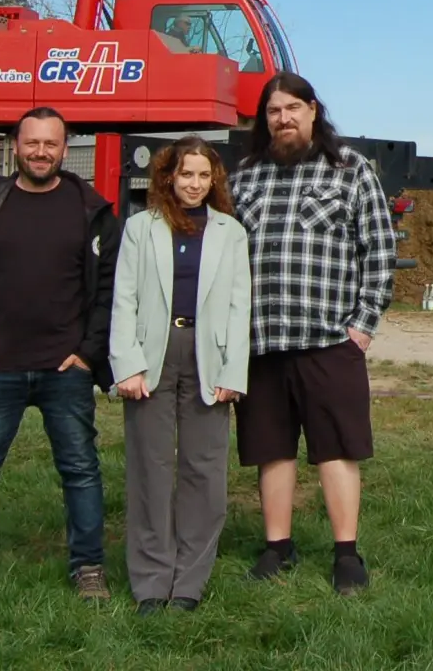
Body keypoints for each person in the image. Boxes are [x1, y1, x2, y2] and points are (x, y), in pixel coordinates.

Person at [0, 106, 121, 605]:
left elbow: (110, 292)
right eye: (32, 143)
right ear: (16, 146)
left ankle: (88, 568)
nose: (41, 152)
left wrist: (88, 354)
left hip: (66, 371)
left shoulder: (91, 211)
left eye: (51, 144)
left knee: (81, 471)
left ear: (66, 149)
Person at [228, 71, 398, 595]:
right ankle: (277, 547)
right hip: (261, 342)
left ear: (312, 111)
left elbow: (380, 250)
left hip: (329, 340)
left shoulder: (350, 170)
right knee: (270, 450)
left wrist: (361, 328)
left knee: (336, 449)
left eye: (292, 109)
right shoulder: (245, 177)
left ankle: (346, 554)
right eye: (273, 111)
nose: (283, 119)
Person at [108, 136, 252, 616]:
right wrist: (127, 363)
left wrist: (233, 371)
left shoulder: (231, 233)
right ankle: (151, 582)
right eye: (186, 174)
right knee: (150, 468)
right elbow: (124, 299)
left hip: (208, 357)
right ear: (168, 176)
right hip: (153, 356)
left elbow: (239, 307)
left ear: (214, 181)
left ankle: (189, 581)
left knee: (204, 470)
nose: (194, 184)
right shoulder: (140, 228)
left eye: (203, 175)